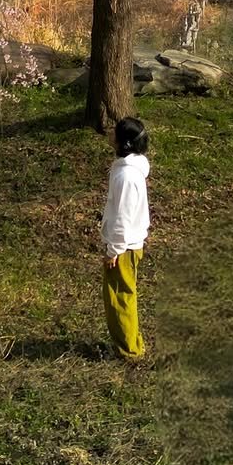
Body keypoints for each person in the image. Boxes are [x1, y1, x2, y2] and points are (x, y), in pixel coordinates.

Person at [100, 116, 151, 361]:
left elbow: (123, 216)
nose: (111, 134)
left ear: (125, 142)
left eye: (115, 132)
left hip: (125, 247)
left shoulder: (126, 176)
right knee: (121, 296)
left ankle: (129, 351)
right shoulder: (126, 170)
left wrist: (114, 250)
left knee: (120, 299)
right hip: (126, 245)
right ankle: (131, 344)